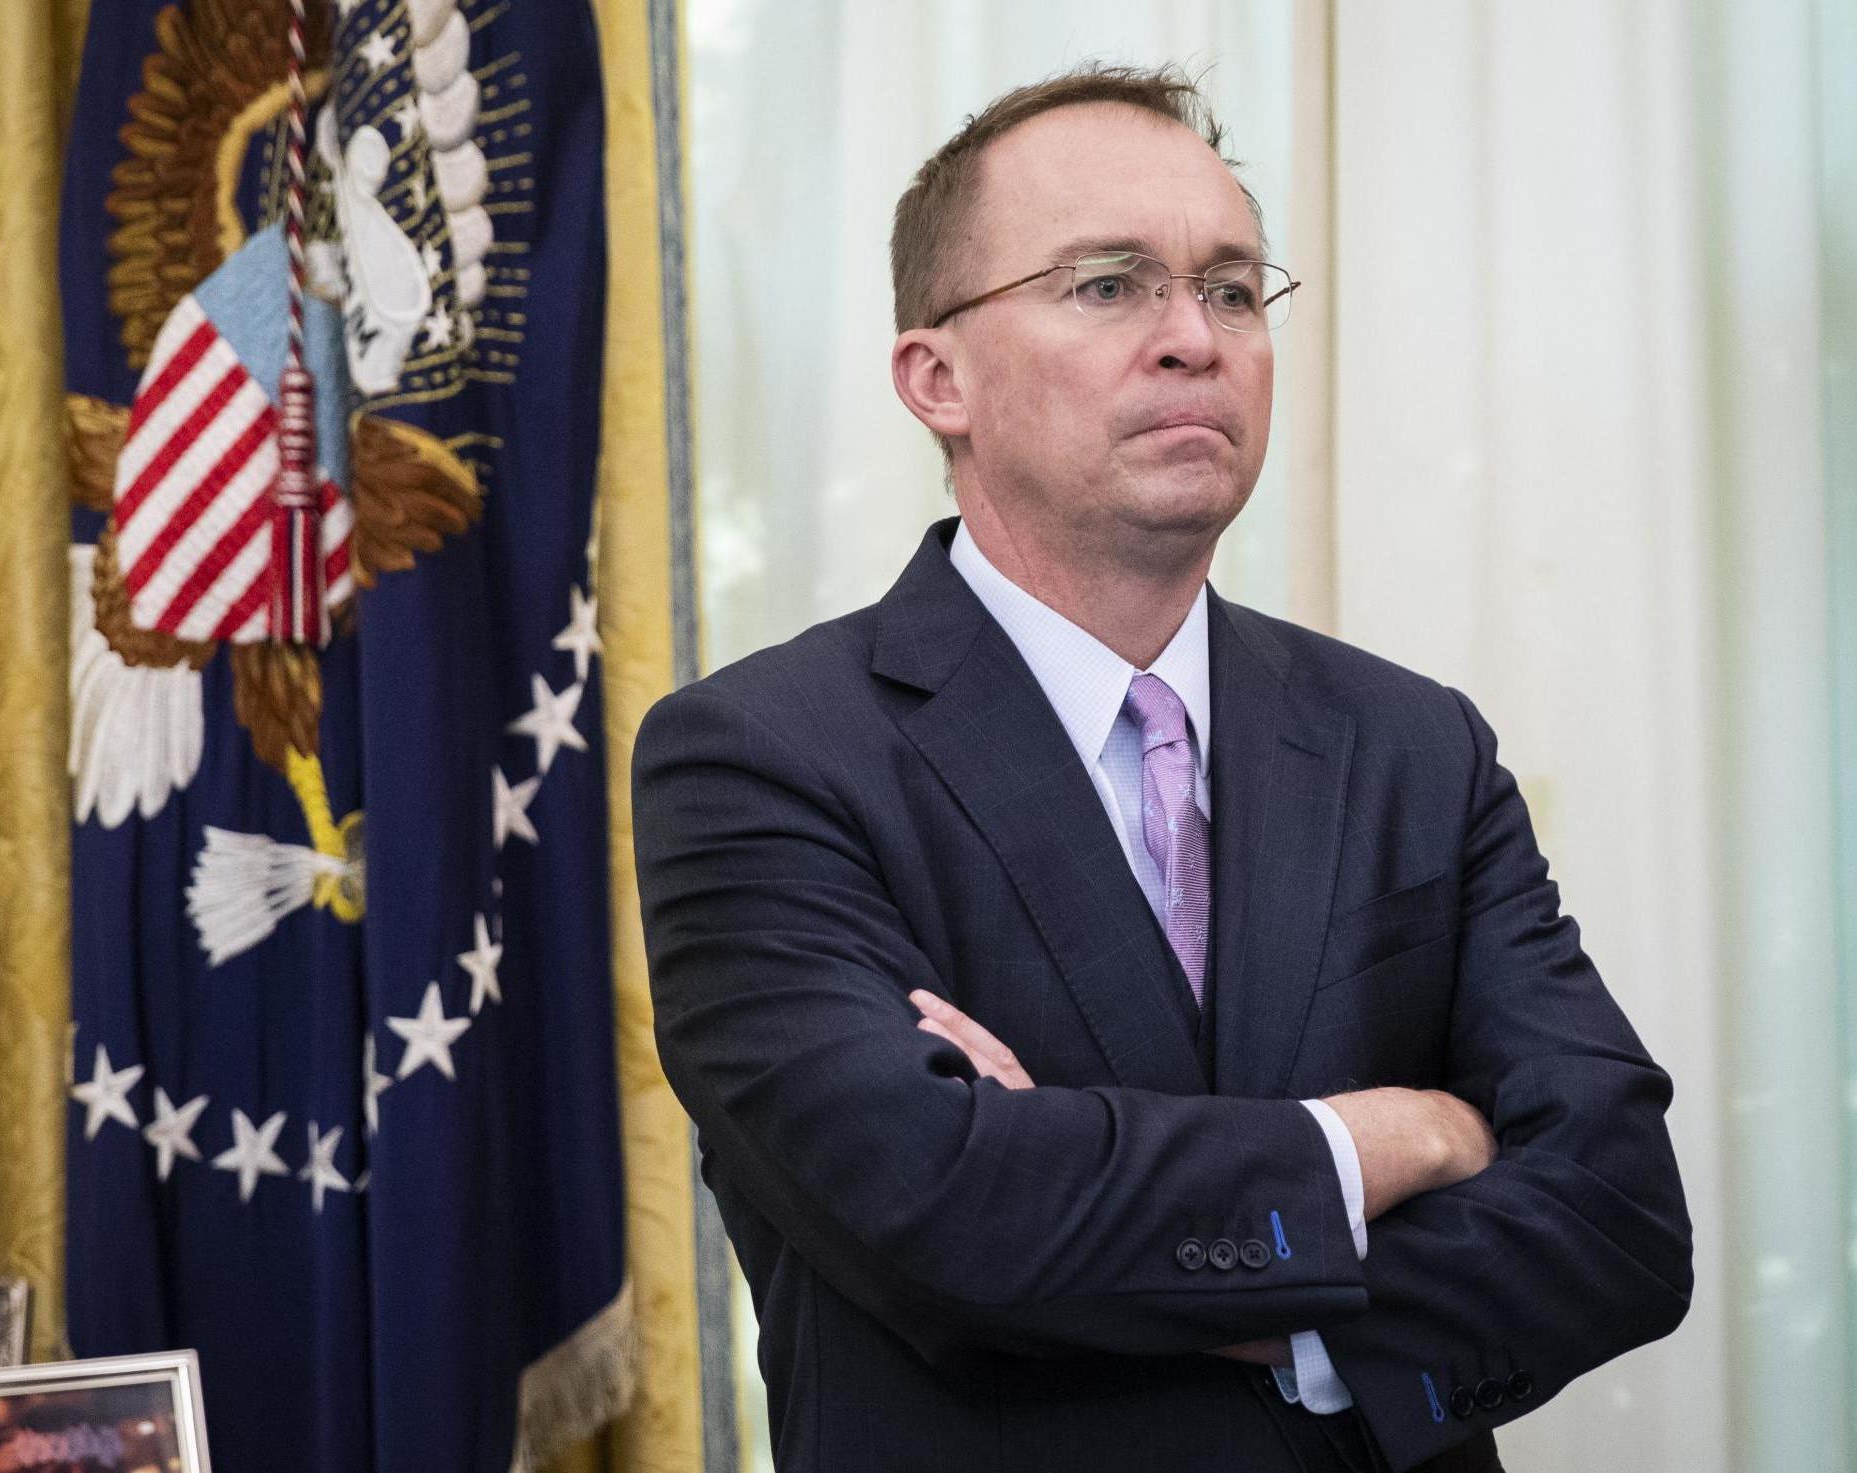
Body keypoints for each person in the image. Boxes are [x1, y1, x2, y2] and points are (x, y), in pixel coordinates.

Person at [631, 63, 1692, 1473]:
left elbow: (1622, 1212)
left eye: (1235, 289)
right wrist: (1405, 1139)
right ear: (934, 376)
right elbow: (952, 1214)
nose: (1194, 336)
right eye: (1110, 284)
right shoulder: (761, 759)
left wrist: (1245, 1297)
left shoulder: (1414, 745)